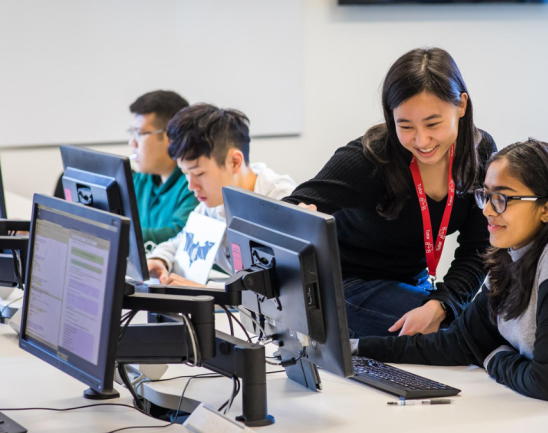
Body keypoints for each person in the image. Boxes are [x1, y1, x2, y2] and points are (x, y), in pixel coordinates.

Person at [354, 139, 548, 418]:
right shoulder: (511, 255)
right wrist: (359, 348)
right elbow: (458, 343)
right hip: (544, 414)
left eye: (503, 198)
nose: (487, 209)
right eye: (485, 195)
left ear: (547, 208)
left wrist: (495, 357)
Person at [283, 47, 497, 338]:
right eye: (405, 126)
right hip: (344, 284)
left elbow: (478, 246)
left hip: (412, 281)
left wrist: (444, 303)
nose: (422, 140)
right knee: (462, 334)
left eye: (433, 124)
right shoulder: (366, 159)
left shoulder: (480, 152)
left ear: (461, 106)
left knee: (480, 322)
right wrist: (297, 217)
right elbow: (287, 208)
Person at [146, 103, 296, 287]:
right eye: (185, 173)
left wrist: (209, 292)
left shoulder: (281, 200)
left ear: (234, 162)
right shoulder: (213, 203)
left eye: (199, 173)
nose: (191, 186)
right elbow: (181, 243)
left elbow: (286, 287)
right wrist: (159, 260)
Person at [128, 90, 199, 252]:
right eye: (131, 133)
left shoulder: (194, 183)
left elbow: (180, 235)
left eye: (139, 134)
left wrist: (122, 232)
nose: (132, 142)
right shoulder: (140, 180)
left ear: (170, 137)